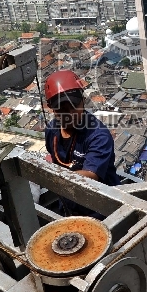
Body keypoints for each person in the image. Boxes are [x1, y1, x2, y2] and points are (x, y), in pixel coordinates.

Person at [43, 70, 119, 215]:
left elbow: (91, 175)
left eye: (74, 105)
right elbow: (54, 158)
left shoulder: (98, 135)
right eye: (63, 108)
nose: (70, 113)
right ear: (52, 108)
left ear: (83, 100)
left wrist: (51, 177)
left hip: (102, 209)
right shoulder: (52, 131)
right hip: (69, 204)